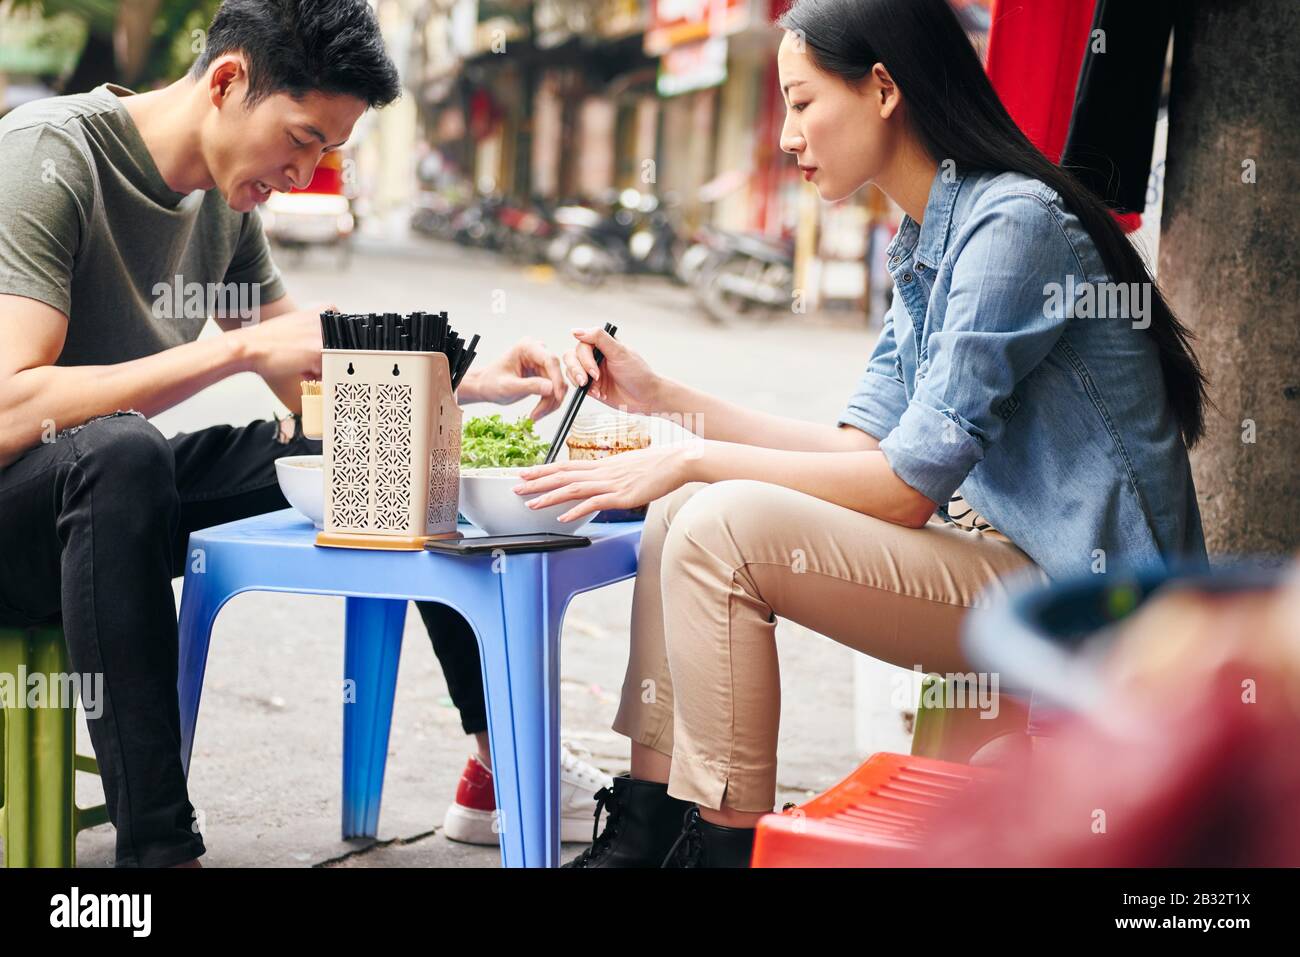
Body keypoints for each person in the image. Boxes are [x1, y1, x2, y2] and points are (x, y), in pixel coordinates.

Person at [512, 0, 1210, 868]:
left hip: (1084, 602)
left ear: (882, 88)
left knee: (715, 521)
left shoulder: (1013, 227)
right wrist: (662, 401)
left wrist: (687, 454)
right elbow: (858, 449)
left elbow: (903, 490)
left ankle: (726, 851)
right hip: (1001, 566)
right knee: (684, 505)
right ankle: (648, 829)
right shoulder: (926, 238)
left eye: (802, 104)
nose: (789, 136)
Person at [0, 0, 605, 867]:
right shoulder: (49, 155)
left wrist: (468, 382)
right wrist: (236, 349)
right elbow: (10, 410)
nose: (303, 173)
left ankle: (492, 766)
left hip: (101, 500)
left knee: (385, 443)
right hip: (21, 515)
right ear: (227, 80)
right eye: (300, 138)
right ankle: (159, 855)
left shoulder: (221, 205)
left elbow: (320, 367)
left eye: (326, 151)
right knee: (120, 451)